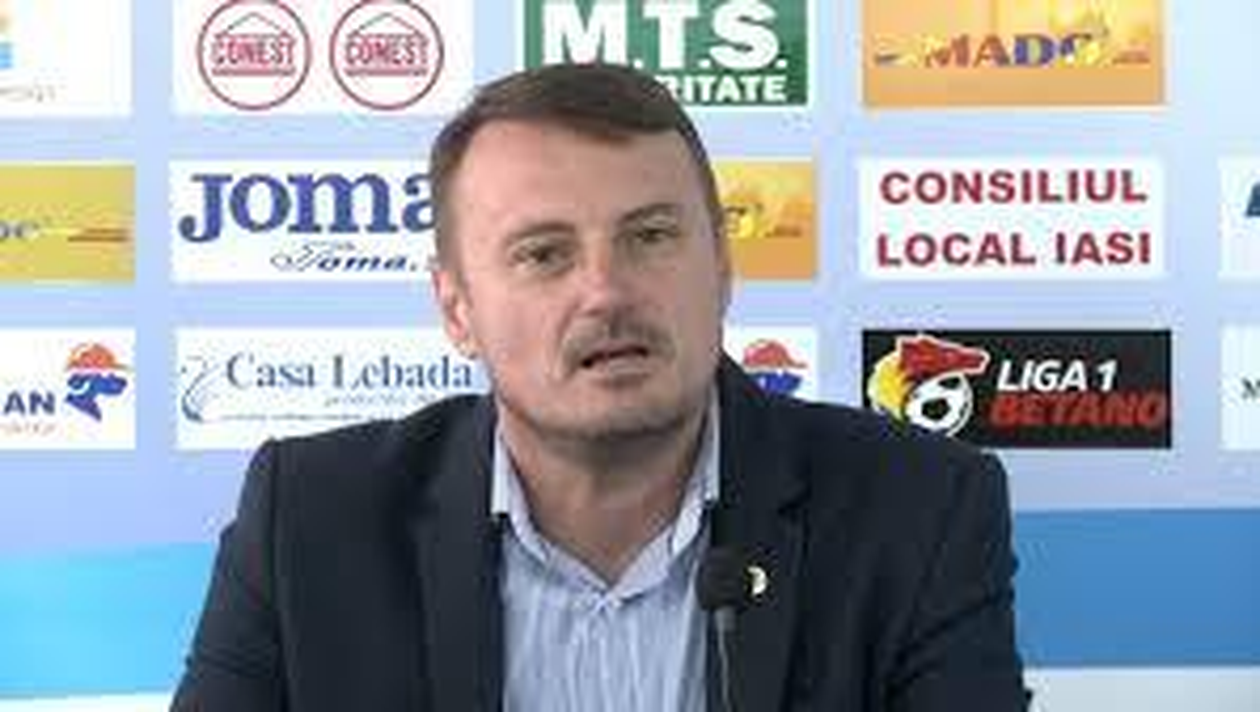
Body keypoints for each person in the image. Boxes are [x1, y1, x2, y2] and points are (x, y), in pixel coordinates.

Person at [172, 62, 1028, 711]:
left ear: (723, 266)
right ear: (457, 308)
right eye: (544, 254)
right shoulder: (310, 519)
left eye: (650, 237)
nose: (607, 292)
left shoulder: (919, 512)